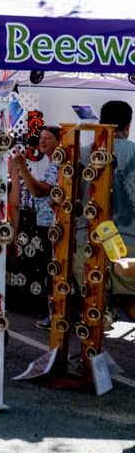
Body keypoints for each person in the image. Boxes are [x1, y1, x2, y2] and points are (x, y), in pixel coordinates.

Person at [8, 126, 61, 324]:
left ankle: (55, 316)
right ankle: (54, 315)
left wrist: (21, 165)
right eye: (42, 138)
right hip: (48, 223)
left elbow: (38, 191)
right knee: (49, 269)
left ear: (59, 142)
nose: (43, 141)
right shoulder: (52, 164)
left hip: (53, 225)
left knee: (52, 269)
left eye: (49, 138)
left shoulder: (57, 165)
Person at [99, 101, 135, 320]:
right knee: (131, 301)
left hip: (92, 239)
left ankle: (89, 354)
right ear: (127, 125)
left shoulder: (86, 152)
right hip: (129, 238)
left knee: (92, 303)